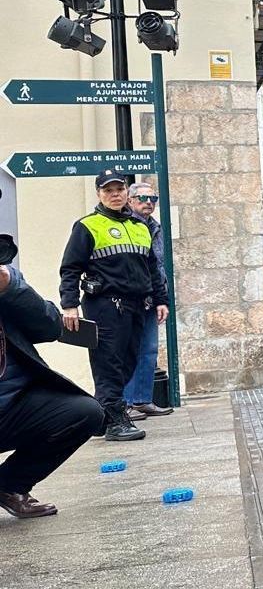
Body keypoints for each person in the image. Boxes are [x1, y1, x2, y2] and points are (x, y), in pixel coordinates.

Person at [58, 170, 169, 442]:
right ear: (99, 194)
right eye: (109, 190)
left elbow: (152, 268)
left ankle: (100, 417)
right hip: (104, 305)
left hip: (136, 305)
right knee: (108, 363)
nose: (115, 194)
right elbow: (70, 268)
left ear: (126, 194)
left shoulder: (139, 227)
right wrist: (69, 305)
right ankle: (116, 420)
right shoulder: (88, 226)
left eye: (119, 189)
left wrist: (161, 299)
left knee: (128, 362)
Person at [0, 240, 105, 518]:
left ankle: (9, 486)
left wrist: (10, 288)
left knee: (84, 412)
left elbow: (49, 327)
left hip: (11, 404)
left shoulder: (7, 277)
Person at [123, 181, 173, 419]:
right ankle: (126, 402)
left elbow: (158, 266)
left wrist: (162, 299)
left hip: (152, 297)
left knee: (149, 350)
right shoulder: (125, 224)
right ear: (130, 201)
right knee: (128, 349)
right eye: (142, 198)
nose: (148, 203)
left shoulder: (155, 227)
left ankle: (142, 399)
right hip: (129, 297)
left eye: (152, 199)